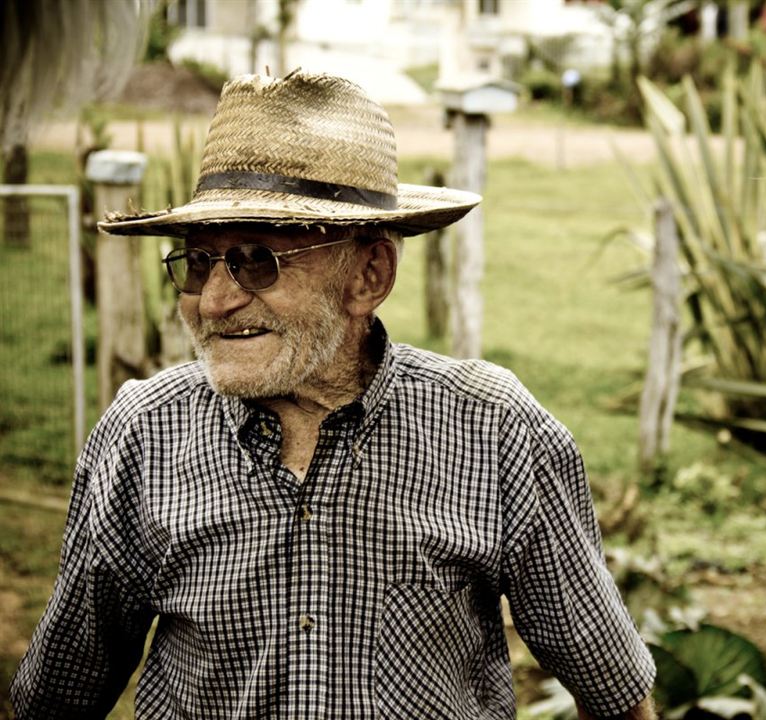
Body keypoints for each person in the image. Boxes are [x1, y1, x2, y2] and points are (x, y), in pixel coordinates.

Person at [11, 71, 656, 719]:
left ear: (369, 276)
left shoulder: (494, 430)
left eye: (257, 260)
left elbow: (614, 687)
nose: (213, 302)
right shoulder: (144, 432)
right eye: (199, 262)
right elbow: (57, 696)